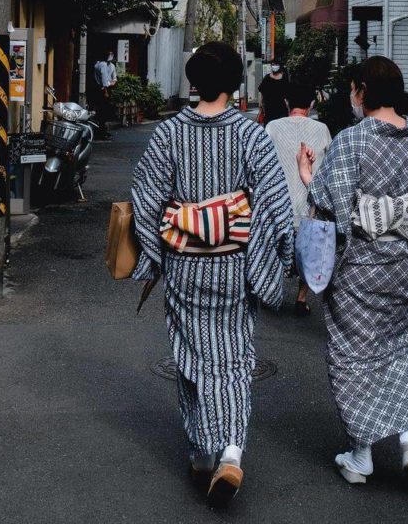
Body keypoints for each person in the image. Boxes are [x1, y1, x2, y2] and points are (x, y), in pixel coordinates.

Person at [131, 42, 294, 508]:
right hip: (234, 265)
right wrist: (276, 258)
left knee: (191, 354)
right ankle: (230, 450)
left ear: (194, 81)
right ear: (235, 81)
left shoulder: (169, 134)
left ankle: (205, 450)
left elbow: (146, 198)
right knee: (234, 356)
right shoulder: (251, 135)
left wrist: (155, 256)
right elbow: (275, 205)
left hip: (185, 264)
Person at [296, 56, 408, 486]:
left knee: (351, 357)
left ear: (362, 89)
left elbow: (331, 207)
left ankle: (362, 454)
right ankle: (407, 441)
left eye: (353, 89)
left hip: (359, 267)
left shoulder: (354, 140)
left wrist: (307, 175)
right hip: (401, 265)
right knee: (395, 349)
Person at [266, 81, 332, 316]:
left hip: (278, 206)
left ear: (286, 103)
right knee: (310, 251)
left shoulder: (272, 127)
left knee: (272, 249)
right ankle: (301, 298)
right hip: (309, 207)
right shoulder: (322, 130)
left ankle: (272, 289)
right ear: (312, 104)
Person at [92, 51, 117, 140]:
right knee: (101, 111)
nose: (110, 56)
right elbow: (104, 79)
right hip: (101, 90)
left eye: (111, 54)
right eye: (109, 54)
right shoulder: (101, 64)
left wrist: (110, 84)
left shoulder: (112, 66)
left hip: (108, 89)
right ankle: (101, 132)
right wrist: (106, 90)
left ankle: (103, 131)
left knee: (105, 111)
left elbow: (114, 79)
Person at [258, 60, 289, 124]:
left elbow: (287, 93)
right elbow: (261, 91)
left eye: (276, 64)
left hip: (282, 110)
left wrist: (288, 104)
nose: (274, 66)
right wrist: (260, 103)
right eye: (273, 64)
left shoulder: (284, 78)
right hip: (269, 110)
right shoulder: (267, 78)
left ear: (279, 66)